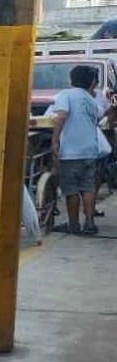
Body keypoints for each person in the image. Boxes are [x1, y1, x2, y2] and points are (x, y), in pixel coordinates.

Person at [49, 64, 117, 235]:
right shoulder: (91, 99)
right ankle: (89, 222)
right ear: (91, 82)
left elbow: (61, 116)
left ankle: (73, 225)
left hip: (71, 151)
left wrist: (55, 141)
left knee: (71, 189)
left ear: (71, 79)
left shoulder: (66, 95)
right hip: (90, 150)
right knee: (88, 187)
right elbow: (101, 114)